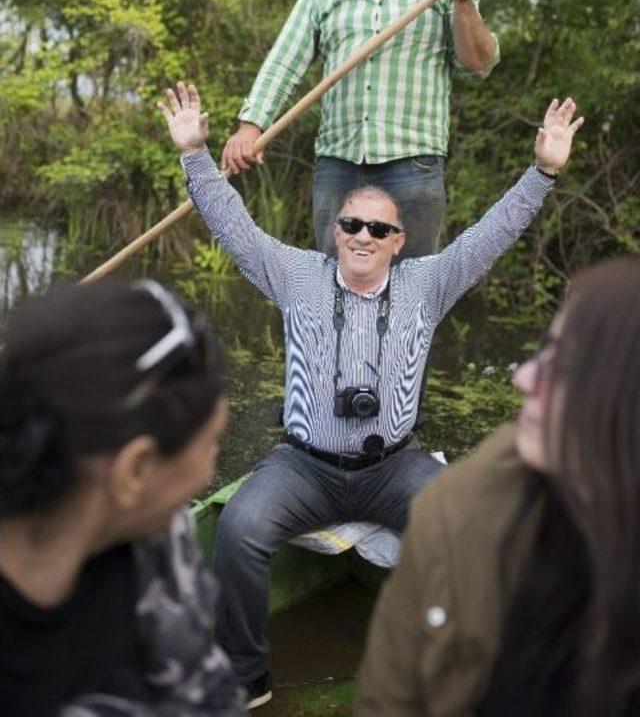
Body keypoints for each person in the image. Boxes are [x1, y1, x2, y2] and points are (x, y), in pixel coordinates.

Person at [159, 80, 583, 709]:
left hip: (396, 467)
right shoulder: (296, 275)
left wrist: (543, 172)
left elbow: (494, 234)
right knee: (241, 530)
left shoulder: (428, 282)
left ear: (398, 240)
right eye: (351, 224)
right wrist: (195, 153)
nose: (363, 236)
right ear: (335, 231)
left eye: (378, 229)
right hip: (304, 464)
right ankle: (248, 676)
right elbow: (234, 227)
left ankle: (459, 670)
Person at [356, 256, 640, 717]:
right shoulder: (460, 505)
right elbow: (387, 701)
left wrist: (540, 178)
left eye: (563, 367)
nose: (523, 378)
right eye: (542, 351)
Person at [0, 278, 246, 717]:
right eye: (212, 445)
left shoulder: (155, 534)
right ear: (136, 469)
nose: (210, 470)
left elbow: (205, 690)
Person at [221, 0, 499, 258]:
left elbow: (478, 63)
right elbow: (283, 63)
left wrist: (465, 2)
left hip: (413, 166)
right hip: (338, 167)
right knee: (334, 288)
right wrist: (250, 128)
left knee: (411, 292)